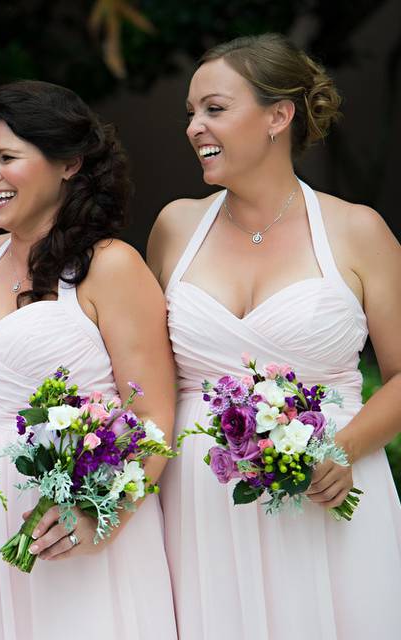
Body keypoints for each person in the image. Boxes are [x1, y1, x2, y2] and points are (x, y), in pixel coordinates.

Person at [147, 33, 401, 639]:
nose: (194, 128)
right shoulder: (174, 229)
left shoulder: (357, 231)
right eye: (191, 114)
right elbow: (144, 375)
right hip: (201, 508)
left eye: (214, 109)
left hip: (327, 495)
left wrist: (345, 448)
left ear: (278, 116)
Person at [0, 80, 177, 640]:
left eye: (7, 158)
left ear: (68, 164)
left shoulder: (112, 268)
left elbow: (154, 417)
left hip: (78, 530)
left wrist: (102, 517)